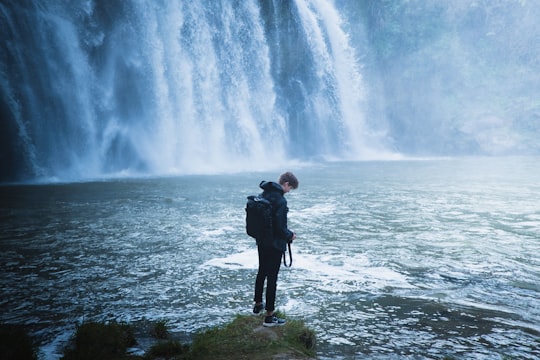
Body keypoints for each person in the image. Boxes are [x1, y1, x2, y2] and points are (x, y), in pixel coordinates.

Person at [253, 171, 299, 327]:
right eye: (290, 188)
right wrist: (290, 235)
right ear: (286, 184)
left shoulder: (264, 194)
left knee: (261, 272)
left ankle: (258, 305)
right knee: (272, 278)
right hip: (274, 245)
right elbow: (280, 228)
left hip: (261, 241)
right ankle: (269, 317)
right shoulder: (280, 201)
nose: (289, 191)